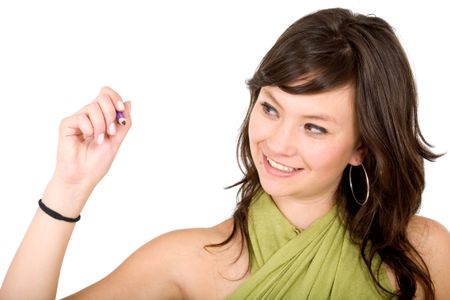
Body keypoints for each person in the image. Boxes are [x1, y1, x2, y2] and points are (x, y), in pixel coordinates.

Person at [1, 7, 449, 300]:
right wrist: (68, 187)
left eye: (314, 126)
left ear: (362, 148)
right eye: (270, 108)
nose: (276, 143)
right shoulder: (187, 260)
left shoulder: (423, 253)